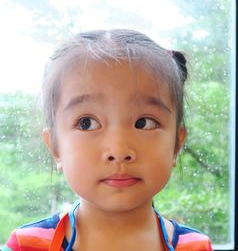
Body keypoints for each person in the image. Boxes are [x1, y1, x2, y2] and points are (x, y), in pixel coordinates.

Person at [3, 29, 213, 251]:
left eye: (144, 122)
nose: (119, 150)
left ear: (176, 145)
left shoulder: (195, 247)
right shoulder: (27, 245)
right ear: (55, 147)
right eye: (87, 123)